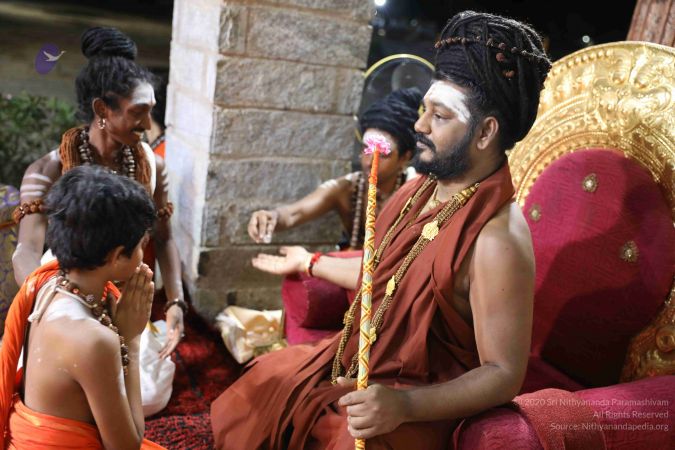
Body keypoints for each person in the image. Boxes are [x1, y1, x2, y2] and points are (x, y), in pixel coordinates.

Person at [211, 10, 551, 449]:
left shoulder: (497, 238)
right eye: (424, 110)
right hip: (361, 362)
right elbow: (384, 275)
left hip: (420, 397)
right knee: (266, 381)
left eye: (439, 116)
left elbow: (503, 374)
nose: (419, 126)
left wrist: (403, 405)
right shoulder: (419, 188)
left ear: (485, 132)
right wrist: (310, 263)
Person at [11, 27, 186, 360]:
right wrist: (54, 301)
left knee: (143, 380)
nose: (148, 125)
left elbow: (164, 239)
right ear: (103, 110)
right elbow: (26, 251)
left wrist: (176, 302)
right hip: (64, 298)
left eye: (150, 110)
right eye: (138, 112)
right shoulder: (48, 171)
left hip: (128, 304)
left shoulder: (153, 167)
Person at [0, 166, 164, 448]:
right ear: (116, 256)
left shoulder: (45, 283)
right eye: (141, 245)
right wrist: (130, 341)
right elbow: (126, 447)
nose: (142, 255)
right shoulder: (95, 341)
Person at [248, 88, 422, 250]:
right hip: (349, 269)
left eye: (382, 155)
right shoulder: (347, 188)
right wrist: (272, 217)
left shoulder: (419, 193)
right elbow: (294, 214)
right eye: (366, 150)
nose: (370, 162)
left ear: (405, 157)